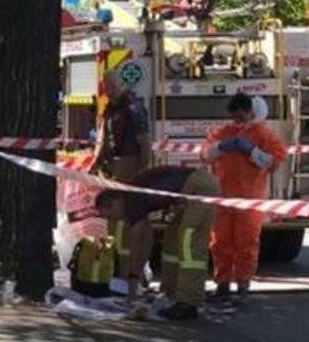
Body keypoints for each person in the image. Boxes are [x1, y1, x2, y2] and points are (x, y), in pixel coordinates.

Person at [95, 165, 220, 320]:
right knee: (172, 240)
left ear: (115, 203)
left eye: (110, 215)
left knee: (189, 238)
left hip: (199, 188)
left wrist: (133, 279)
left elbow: (137, 242)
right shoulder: (133, 197)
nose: (113, 220)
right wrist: (135, 278)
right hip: (191, 191)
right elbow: (147, 240)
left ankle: (189, 302)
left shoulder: (131, 200)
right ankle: (171, 293)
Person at [202, 93, 287, 298]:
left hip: (250, 198)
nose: (238, 119)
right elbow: (205, 155)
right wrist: (222, 147)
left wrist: (252, 151)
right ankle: (222, 283)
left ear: (250, 111)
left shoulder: (263, 135)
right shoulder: (222, 133)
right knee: (220, 242)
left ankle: (242, 283)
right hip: (223, 197)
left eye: (241, 114)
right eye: (235, 115)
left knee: (246, 242)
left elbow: (274, 162)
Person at [91, 69, 152, 281]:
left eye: (112, 87)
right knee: (113, 222)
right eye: (106, 88)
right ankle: (117, 267)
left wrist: (141, 174)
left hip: (130, 165)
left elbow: (144, 145)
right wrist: (96, 164)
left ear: (122, 86)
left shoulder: (133, 109)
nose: (109, 92)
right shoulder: (110, 110)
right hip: (114, 169)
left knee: (130, 223)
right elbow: (103, 140)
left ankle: (132, 273)